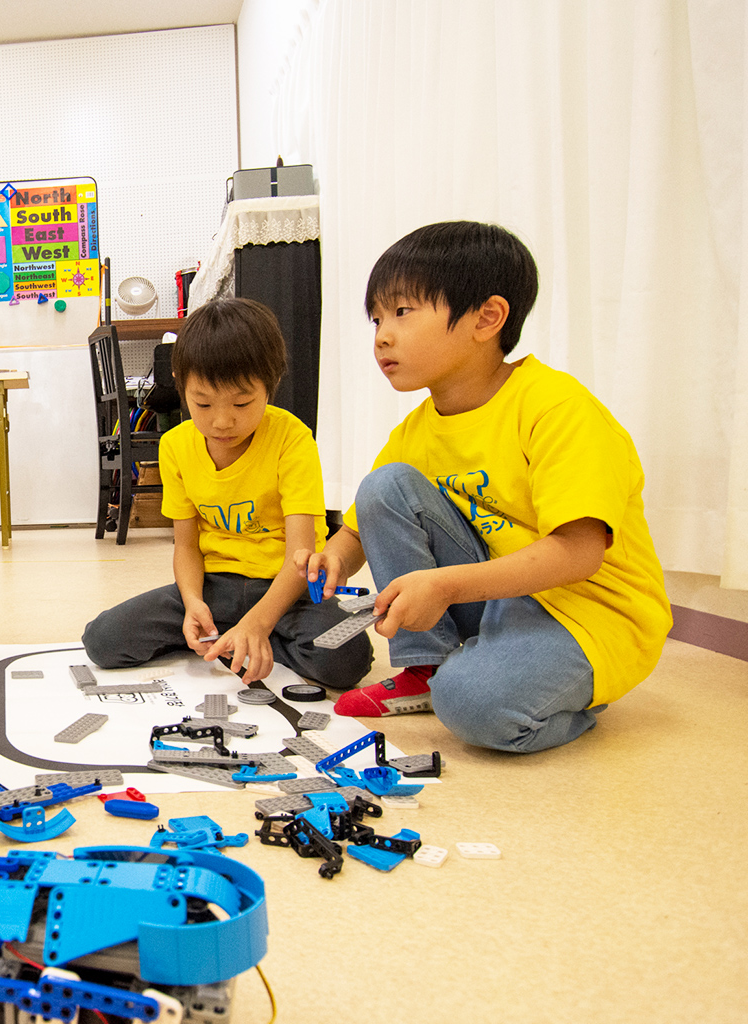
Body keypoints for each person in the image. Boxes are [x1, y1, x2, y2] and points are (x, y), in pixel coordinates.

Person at [299, 221, 670, 753]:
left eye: (402, 313)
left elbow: (580, 553)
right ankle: (425, 670)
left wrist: (445, 587)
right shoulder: (415, 430)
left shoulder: (558, 408)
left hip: (588, 613)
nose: (381, 335)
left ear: (487, 318)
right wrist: (333, 556)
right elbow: (360, 526)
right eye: (377, 318)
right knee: (385, 486)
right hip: (497, 594)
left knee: (472, 706)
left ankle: (571, 698)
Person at [81, 297, 372, 688]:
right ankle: (235, 635)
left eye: (242, 402)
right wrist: (192, 602)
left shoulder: (292, 439)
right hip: (215, 588)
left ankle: (249, 635)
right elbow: (185, 547)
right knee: (103, 641)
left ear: (270, 386)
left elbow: (300, 559)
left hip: (286, 591)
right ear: (181, 387)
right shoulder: (176, 446)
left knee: (347, 658)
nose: (221, 420)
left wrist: (260, 620)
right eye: (202, 403)